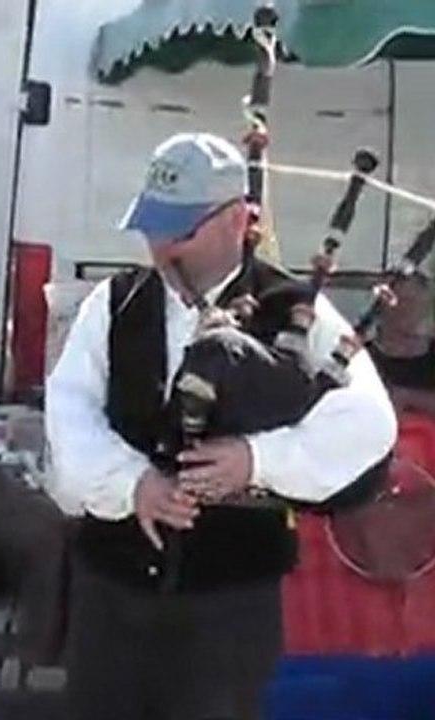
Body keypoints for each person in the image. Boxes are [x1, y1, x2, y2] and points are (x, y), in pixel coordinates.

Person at [46, 132, 397, 720]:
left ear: (238, 219)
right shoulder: (114, 303)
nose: (159, 246)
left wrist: (256, 459)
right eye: (152, 226)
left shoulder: (292, 307)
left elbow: (366, 424)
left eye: (178, 230)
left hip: (230, 604)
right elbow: (69, 415)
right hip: (111, 591)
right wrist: (134, 484)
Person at [367, 271, 435, 418]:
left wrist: (409, 398)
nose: (409, 311)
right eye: (403, 302)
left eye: (416, 303)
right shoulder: (363, 358)